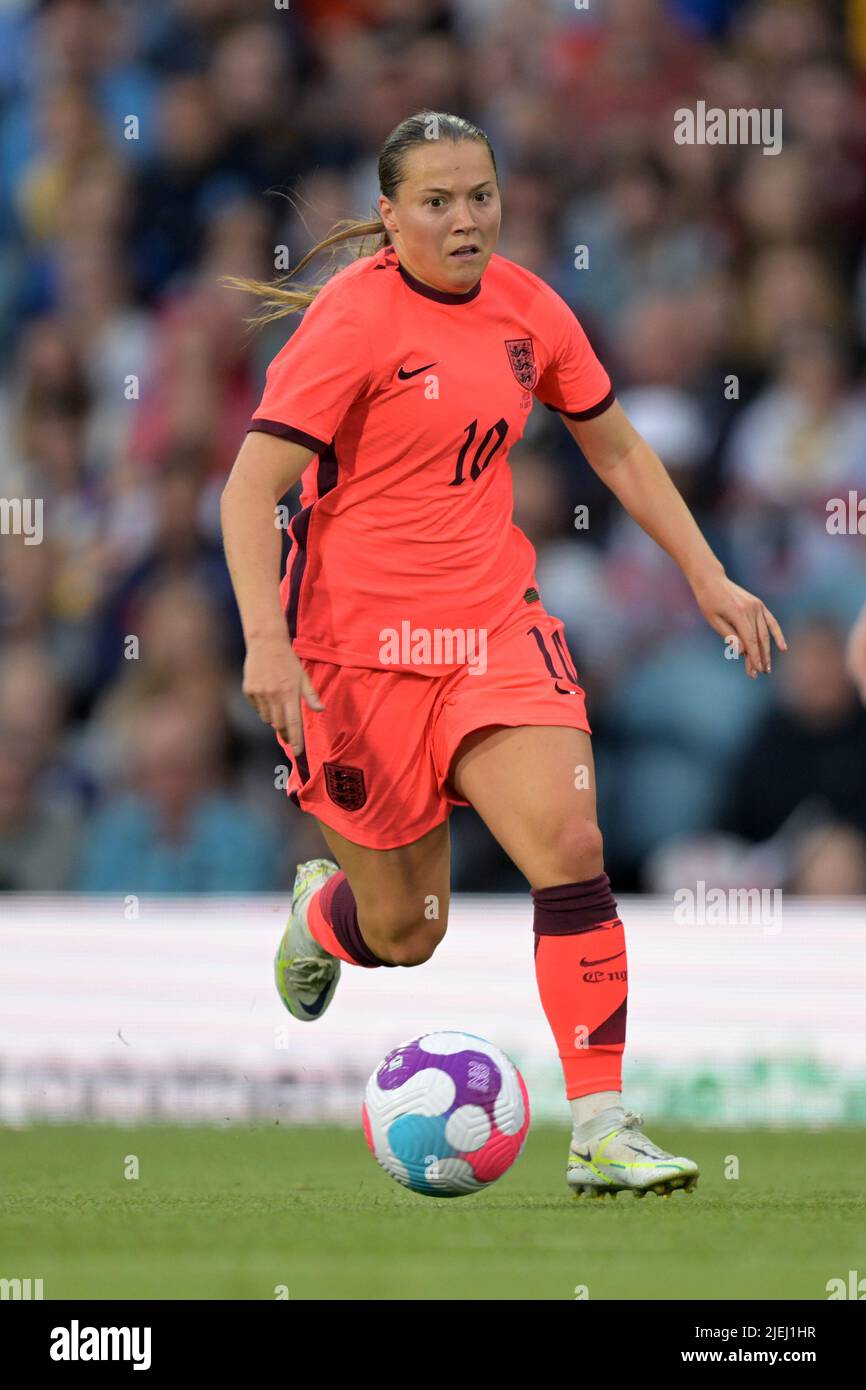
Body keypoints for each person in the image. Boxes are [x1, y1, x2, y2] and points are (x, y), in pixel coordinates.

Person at [220, 111, 786, 1200]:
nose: (466, 218)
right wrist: (265, 644)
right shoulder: (349, 322)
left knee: (571, 841)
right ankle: (322, 916)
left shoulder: (530, 307)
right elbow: (249, 488)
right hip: (354, 657)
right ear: (389, 216)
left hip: (491, 628)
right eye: (436, 201)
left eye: (480, 194)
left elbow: (613, 443)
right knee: (406, 929)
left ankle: (601, 1125)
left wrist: (706, 574)